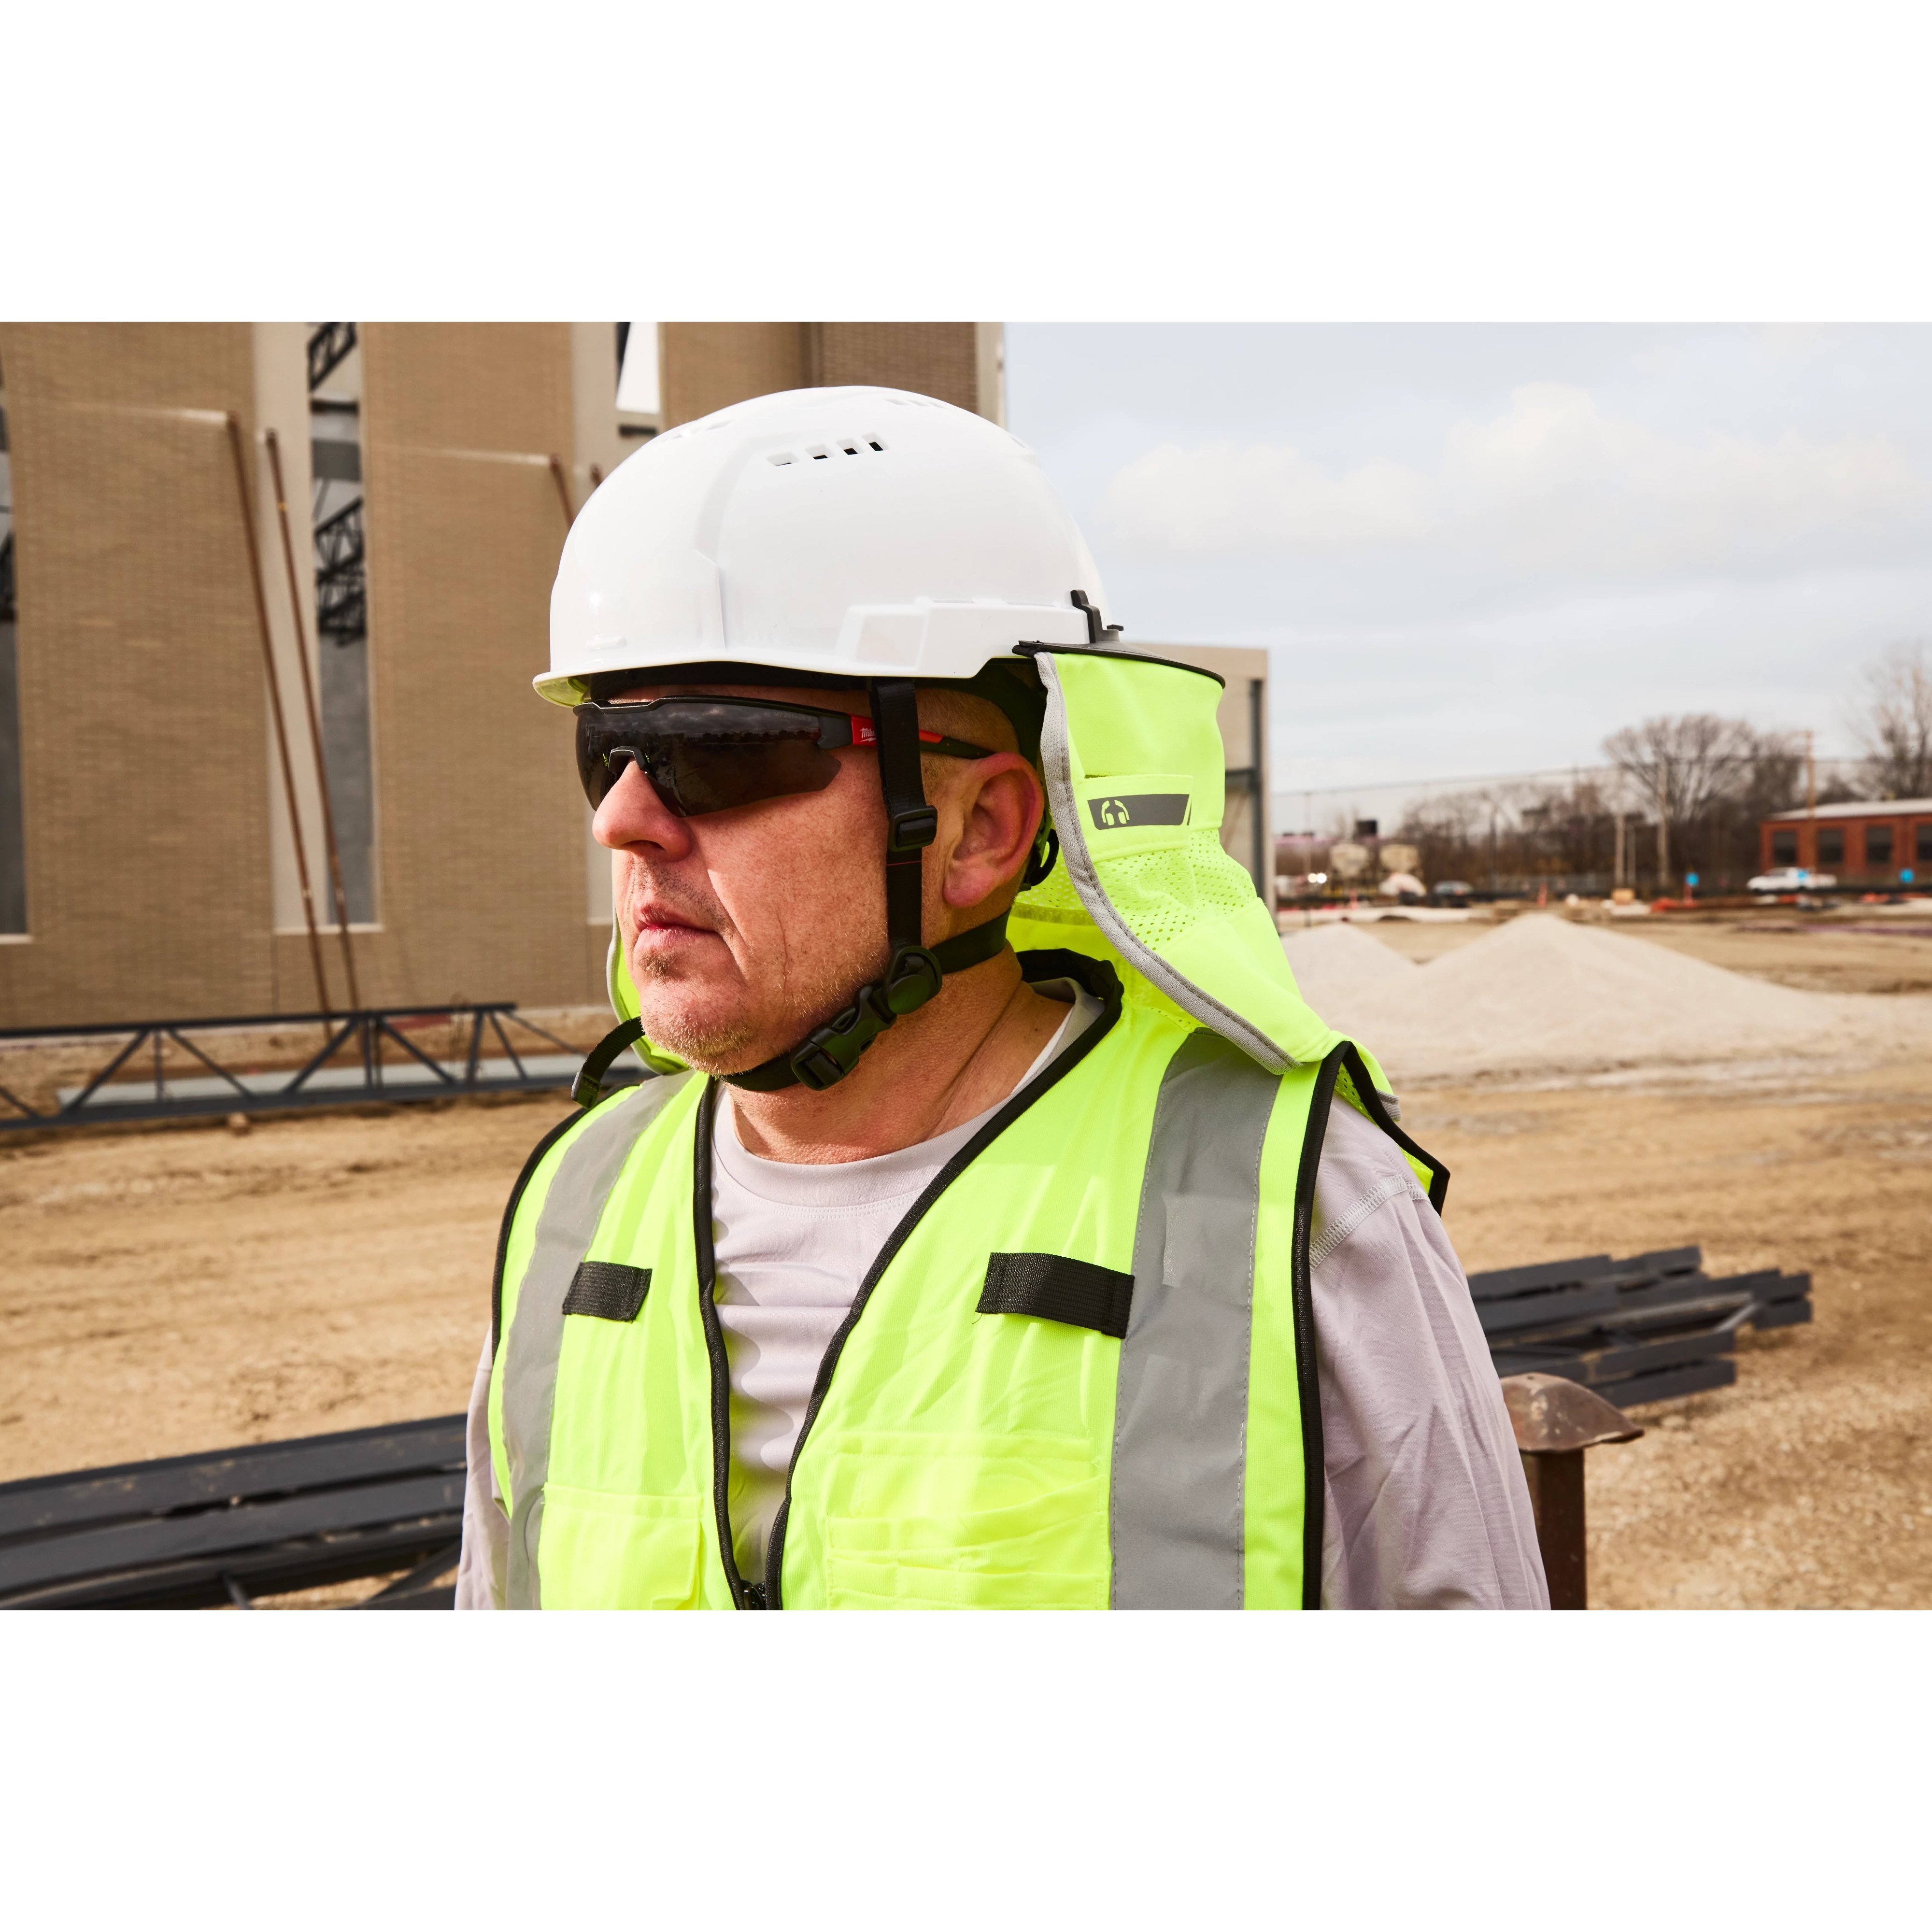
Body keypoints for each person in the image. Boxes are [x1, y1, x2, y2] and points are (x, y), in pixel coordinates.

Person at [456, 386, 1545, 1611]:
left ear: (978, 830)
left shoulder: (1284, 1206)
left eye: (719, 749)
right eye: (606, 749)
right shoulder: (574, 1206)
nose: (622, 820)